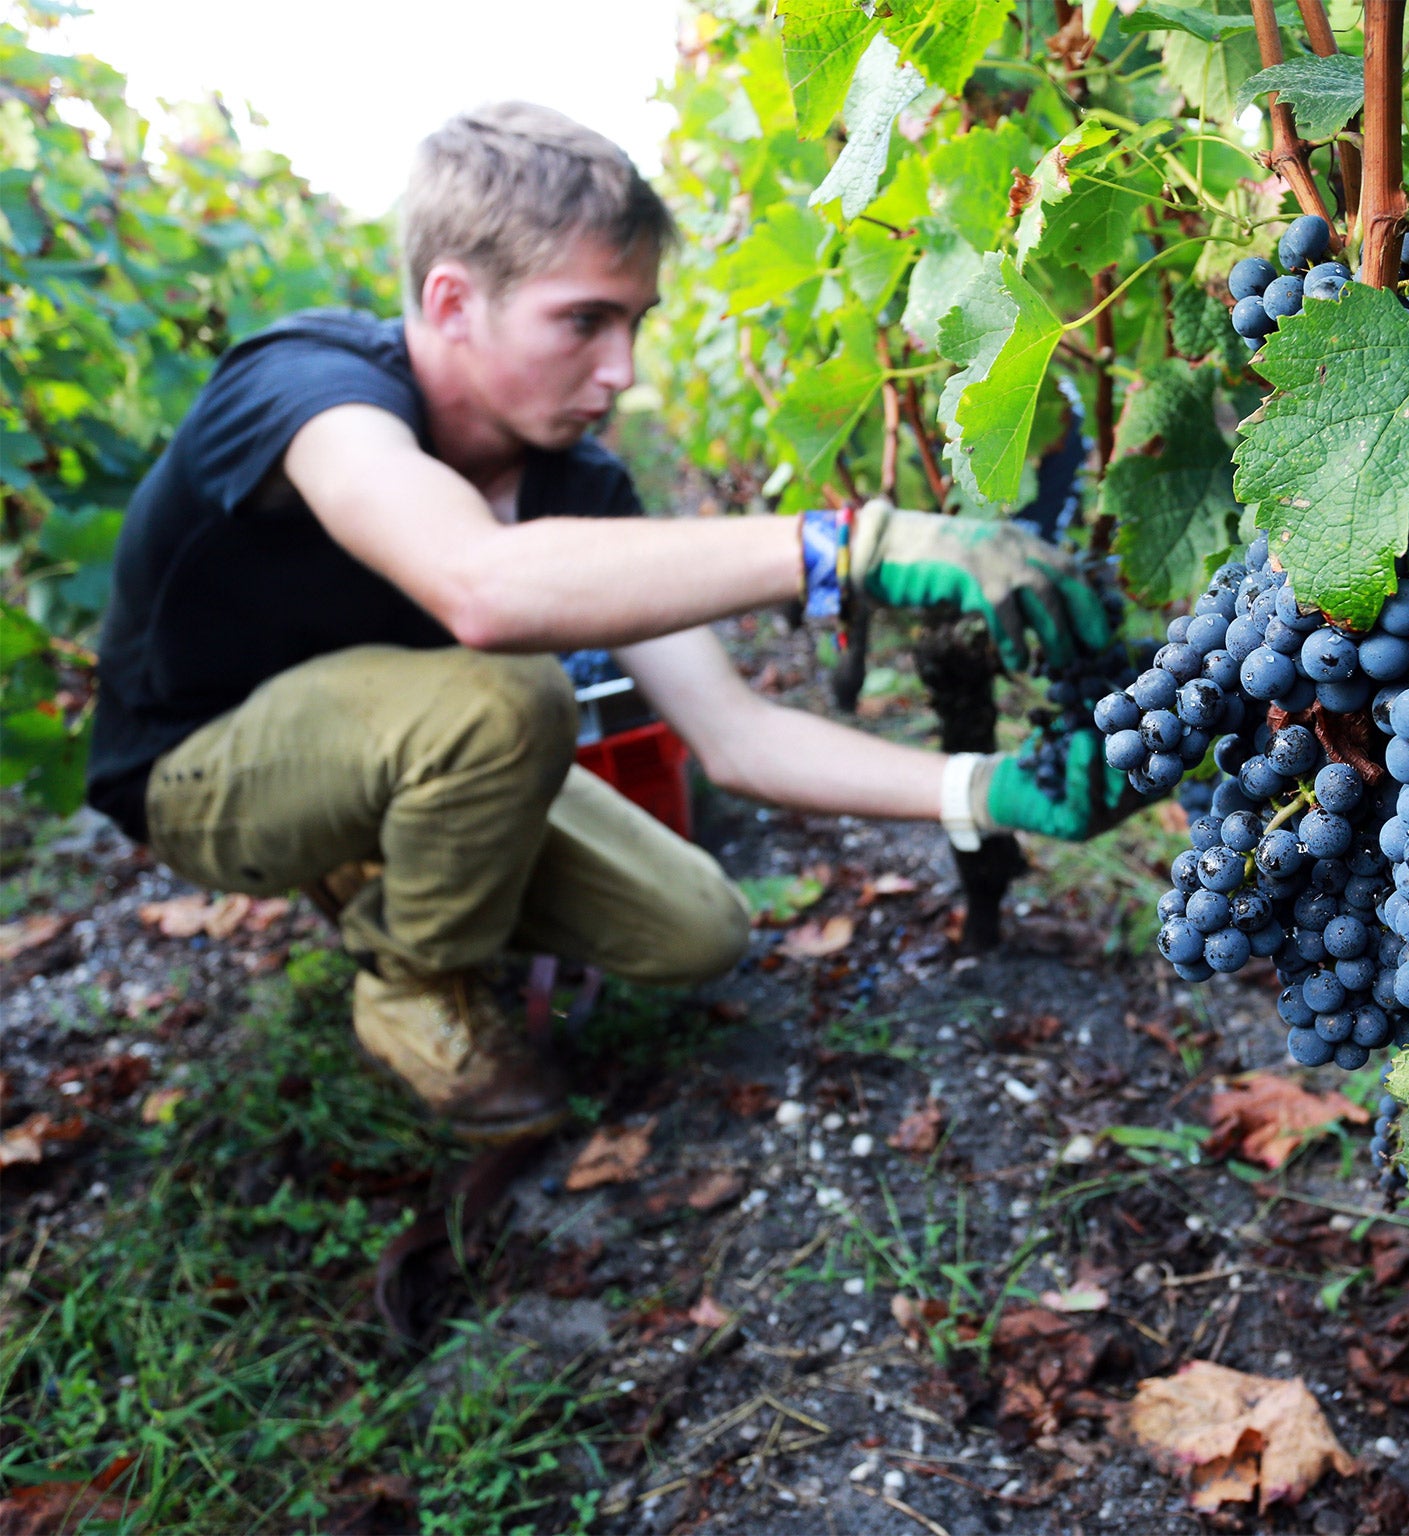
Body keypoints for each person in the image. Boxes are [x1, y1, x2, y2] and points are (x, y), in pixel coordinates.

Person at [85, 103, 1132, 1143]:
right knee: (507, 700)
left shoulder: (575, 481)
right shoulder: (310, 391)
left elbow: (735, 734)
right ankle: (413, 983)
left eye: (635, 321)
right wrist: (850, 547)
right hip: (196, 773)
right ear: (451, 301)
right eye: (584, 319)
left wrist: (988, 791)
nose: (621, 370)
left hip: (390, 745)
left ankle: (394, 858)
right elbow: (479, 587)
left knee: (697, 929)